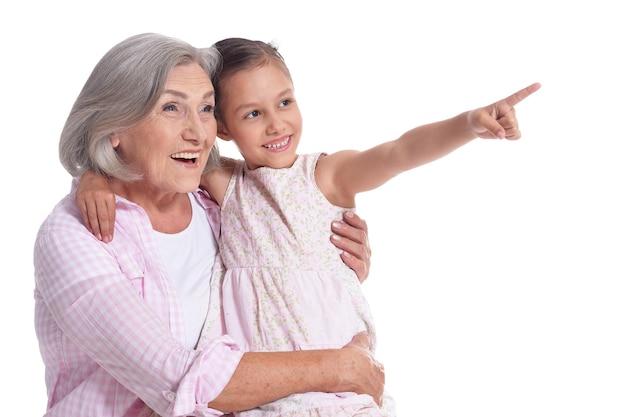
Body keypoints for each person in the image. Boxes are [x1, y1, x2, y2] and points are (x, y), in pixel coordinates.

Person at [78, 37, 540, 416]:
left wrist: (468, 125)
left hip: (339, 384)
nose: (276, 123)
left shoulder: (326, 176)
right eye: (252, 114)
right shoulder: (224, 182)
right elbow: (151, 153)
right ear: (221, 128)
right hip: (262, 395)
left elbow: (399, 152)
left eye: (285, 102)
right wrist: (94, 177)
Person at [34, 32, 384, 417]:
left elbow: (275, 288)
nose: (198, 133)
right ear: (114, 126)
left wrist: (335, 261)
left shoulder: (222, 208)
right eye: (171, 108)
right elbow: (179, 379)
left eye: (205, 109)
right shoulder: (73, 236)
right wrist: (340, 367)